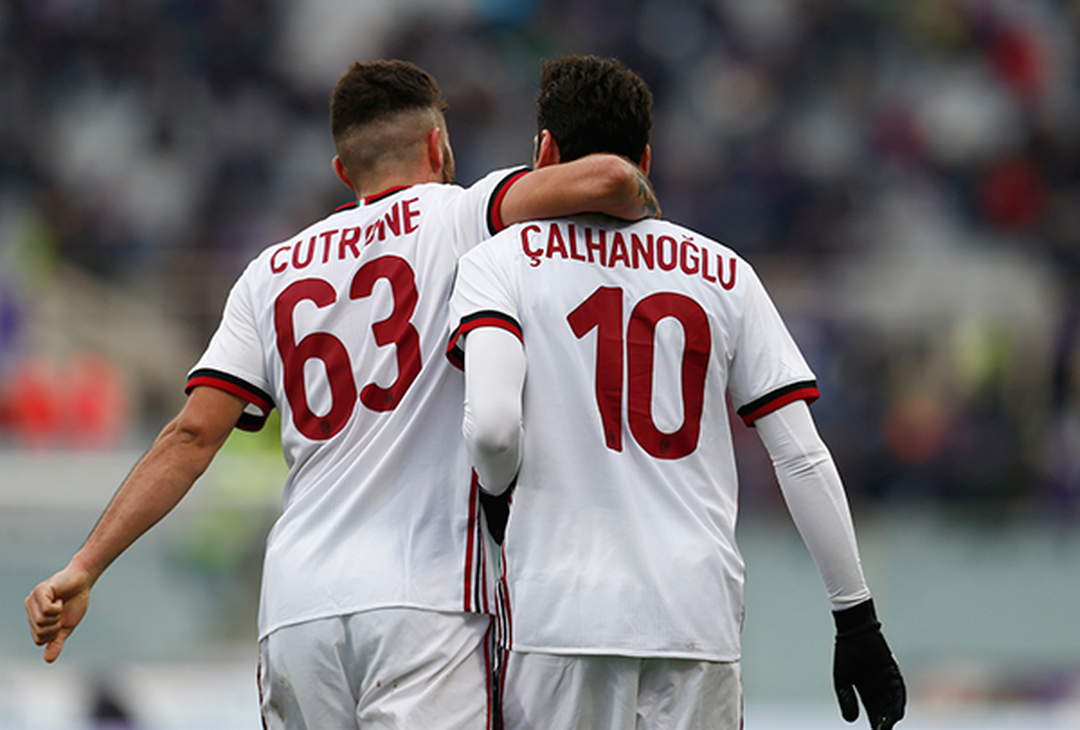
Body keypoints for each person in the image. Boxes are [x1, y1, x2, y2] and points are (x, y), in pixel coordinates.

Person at [24, 59, 658, 730]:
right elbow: (610, 179)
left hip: (297, 612)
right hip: (426, 601)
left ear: (341, 171)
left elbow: (191, 435)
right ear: (437, 145)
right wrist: (647, 203)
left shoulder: (268, 273)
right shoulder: (464, 215)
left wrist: (85, 566)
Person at [447, 55, 906, 730]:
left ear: (544, 153)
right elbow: (801, 456)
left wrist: (494, 493)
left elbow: (492, 429)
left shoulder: (498, 262)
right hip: (697, 619)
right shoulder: (724, 272)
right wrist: (855, 616)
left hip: (558, 617)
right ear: (646, 160)